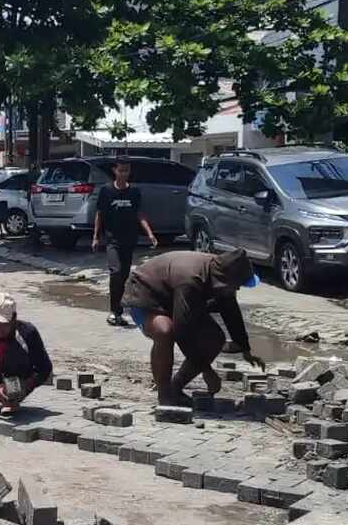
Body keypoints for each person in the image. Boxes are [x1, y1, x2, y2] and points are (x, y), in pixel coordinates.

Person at [123, 248, 263, 406]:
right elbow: (183, 331)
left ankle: (176, 387)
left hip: (176, 296)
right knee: (165, 331)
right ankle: (165, 395)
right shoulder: (191, 280)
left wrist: (244, 348)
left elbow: (231, 310)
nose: (238, 289)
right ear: (225, 280)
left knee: (214, 338)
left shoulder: (223, 271)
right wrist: (207, 371)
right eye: (237, 285)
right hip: (146, 293)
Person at [92, 156, 158, 326]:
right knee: (116, 272)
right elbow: (99, 214)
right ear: (114, 170)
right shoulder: (106, 191)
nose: (124, 173)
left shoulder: (134, 192)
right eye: (121, 170)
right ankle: (114, 311)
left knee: (123, 276)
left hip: (129, 239)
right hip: (112, 239)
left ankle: (118, 311)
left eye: (126, 170)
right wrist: (96, 237)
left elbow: (139, 214)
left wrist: (149, 233)